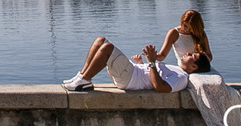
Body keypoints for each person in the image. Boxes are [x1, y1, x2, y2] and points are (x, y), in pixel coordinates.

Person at [61, 37, 209, 93]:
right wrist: (143, 64)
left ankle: (85, 80)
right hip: (132, 72)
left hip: (129, 79)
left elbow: (161, 88)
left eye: (192, 56)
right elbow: (153, 76)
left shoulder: (181, 78)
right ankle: (82, 76)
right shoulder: (176, 69)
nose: (188, 53)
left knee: (107, 48)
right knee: (101, 40)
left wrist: (151, 62)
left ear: (194, 67)